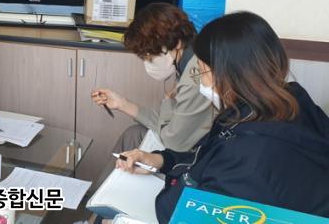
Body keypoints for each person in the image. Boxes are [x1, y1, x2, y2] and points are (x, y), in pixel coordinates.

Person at [116, 12, 329, 222]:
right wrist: (162, 160)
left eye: (202, 73)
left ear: (228, 75)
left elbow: (193, 214)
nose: (201, 83)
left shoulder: (248, 157)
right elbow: (208, 155)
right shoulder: (285, 104)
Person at [90, 3, 214, 183]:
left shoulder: (194, 77)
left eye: (149, 56)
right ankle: (101, 193)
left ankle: (105, 195)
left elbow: (174, 140)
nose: (148, 62)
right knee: (133, 134)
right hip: (186, 139)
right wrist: (122, 104)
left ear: (176, 43)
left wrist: (167, 102)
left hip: (197, 153)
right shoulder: (187, 59)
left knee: (134, 142)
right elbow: (172, 126)